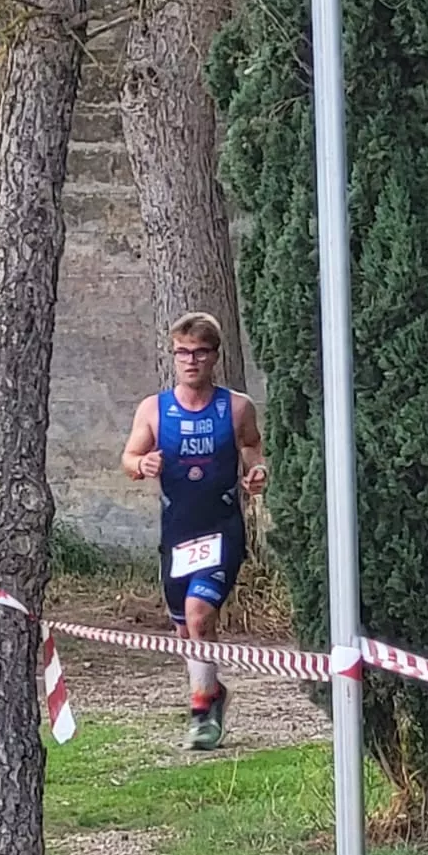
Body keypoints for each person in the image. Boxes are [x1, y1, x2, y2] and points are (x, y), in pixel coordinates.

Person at [121, 312, 267, 750]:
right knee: (186, 629)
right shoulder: (154, 408)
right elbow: (129, 457)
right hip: (178, 535)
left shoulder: (236, 406)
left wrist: (257, 471)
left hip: (221, 529)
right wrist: (142, 465)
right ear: (174, 355)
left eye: (199, 352)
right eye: (183, 352)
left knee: (201, 616)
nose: (190, 361)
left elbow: (251, 446)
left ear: (214, 357)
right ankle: (214, 691)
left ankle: (201, 710)